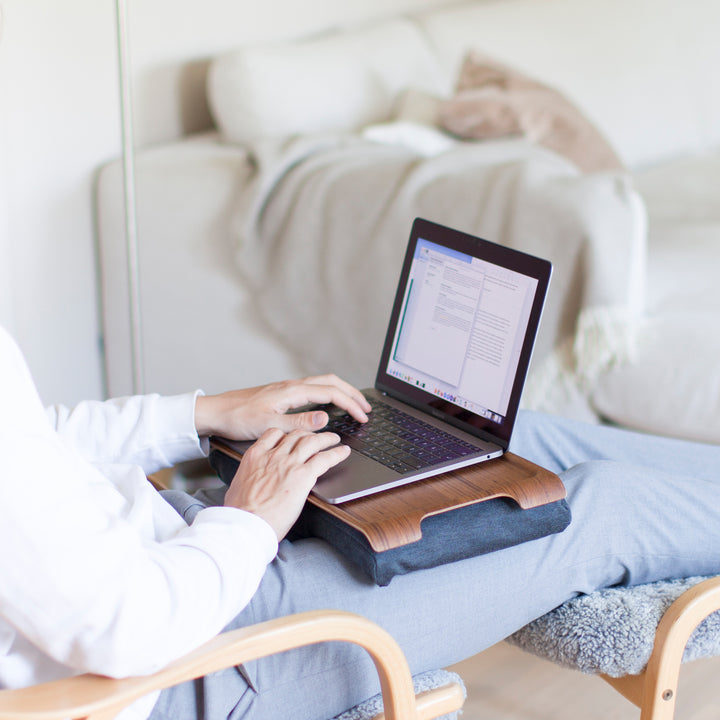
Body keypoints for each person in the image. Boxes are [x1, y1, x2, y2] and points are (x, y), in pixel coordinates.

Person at [2, 323, 720, 720]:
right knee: (602, 506)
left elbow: (37, 435)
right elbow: (122, 628)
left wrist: (205, 413)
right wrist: (251, 517)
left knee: (513, 440)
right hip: (208, 657)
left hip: (184, 553)